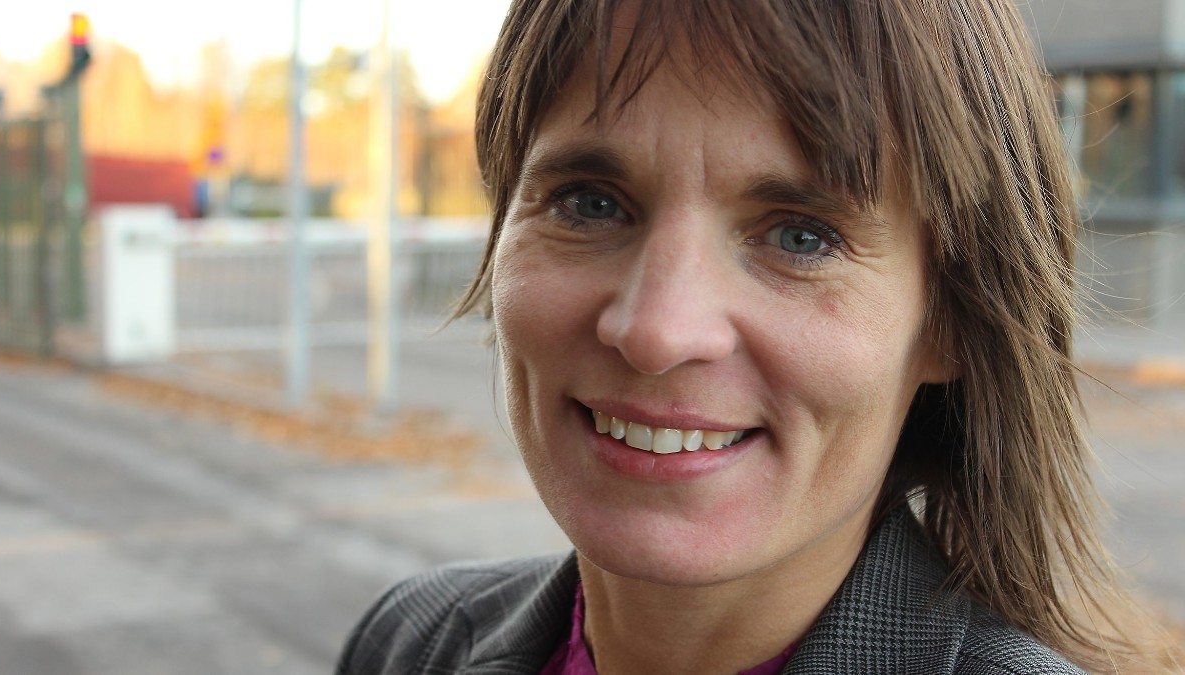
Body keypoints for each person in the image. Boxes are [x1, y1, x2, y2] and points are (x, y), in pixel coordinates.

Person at [336, 0, 1182, 672]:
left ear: (952, 317)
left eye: (800, 236)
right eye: (591, 203)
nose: (657, 331)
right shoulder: (410, 643)